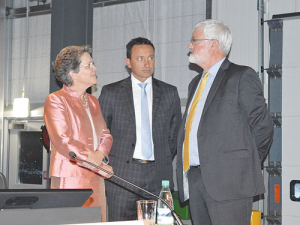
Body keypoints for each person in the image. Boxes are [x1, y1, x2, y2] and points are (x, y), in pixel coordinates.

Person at [176, 20, 274, 225]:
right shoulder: (195, 83)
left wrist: (243, 166)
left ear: (213, 44)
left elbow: (262, 126)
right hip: (195, 179)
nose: (190, 45)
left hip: (230, 182)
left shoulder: (240, 76)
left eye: (195, 40)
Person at [99, 37, 182, 221]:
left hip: (158, 176)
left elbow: (175, 134)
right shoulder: (111, 92)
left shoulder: (169, 92)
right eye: (140, 58)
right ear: (128, 62)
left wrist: (160, 156)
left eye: (151, 58)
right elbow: (101, 133)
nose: (147, 63)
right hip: (122, 176)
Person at [43, 46, 113, 222]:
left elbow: (106, 134)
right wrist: (97, 164)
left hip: (96, 178)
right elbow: (63, 141)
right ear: (73, 73)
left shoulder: (94, 101)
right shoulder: (56, 100)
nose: (95, 68)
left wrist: (99, 156)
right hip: (70, 179)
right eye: (89, 65)